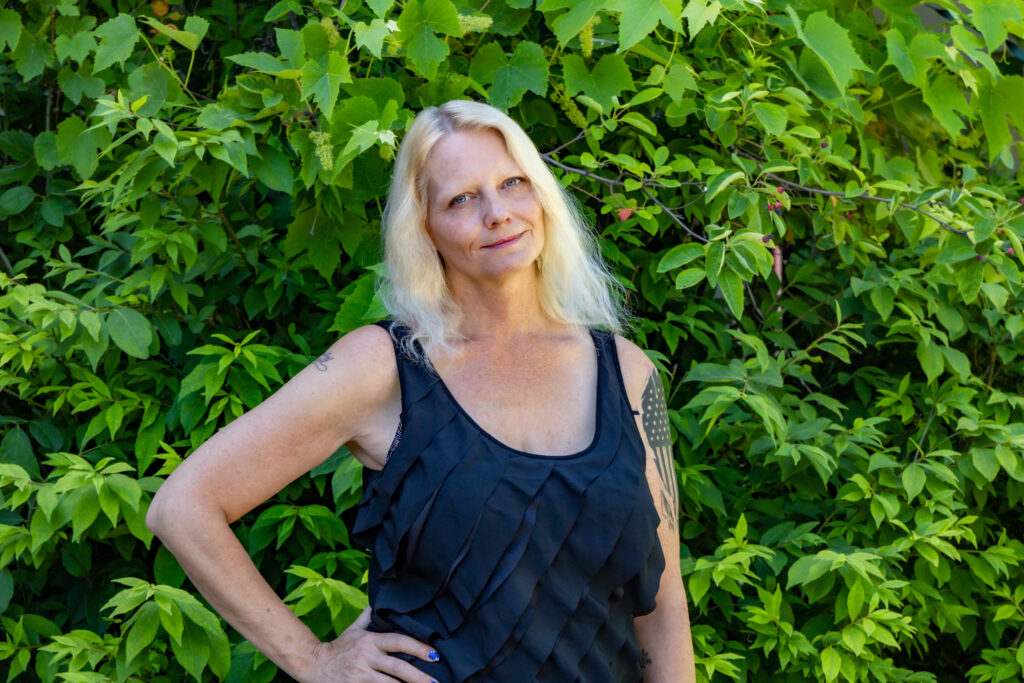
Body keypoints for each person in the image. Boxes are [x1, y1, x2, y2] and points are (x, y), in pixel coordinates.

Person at [147, 99, 695, 682]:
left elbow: (662, 605)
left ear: (541, 194)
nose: (497, 213)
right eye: (461, 199)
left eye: (513, 183)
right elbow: (184, 507)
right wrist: (314, 659)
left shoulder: (627, 373)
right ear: (424, 226)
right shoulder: (385, 367)